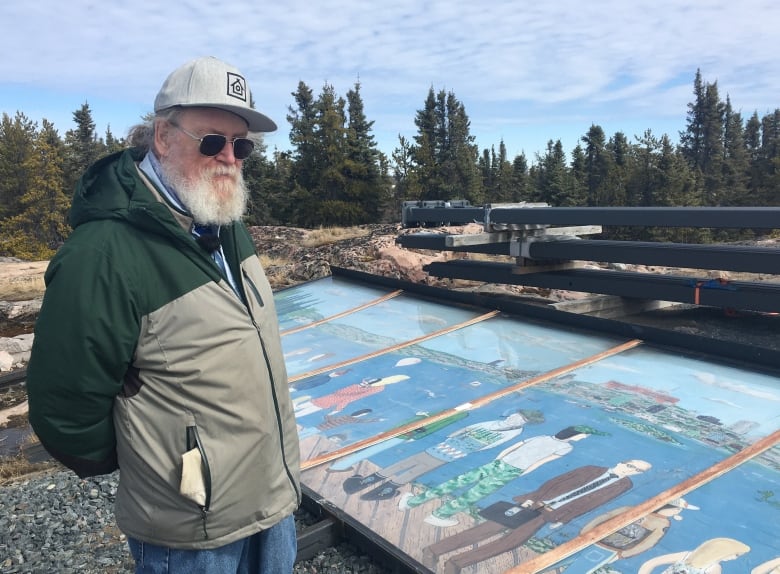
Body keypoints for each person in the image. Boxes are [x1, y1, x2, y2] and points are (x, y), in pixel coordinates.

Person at [26, 56, 301, 573]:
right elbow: (63, 408)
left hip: (272, 502)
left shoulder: (223, 221)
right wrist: (156, 464)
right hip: (191, 536)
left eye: (242, 146)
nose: (230, 158)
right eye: (212, 141)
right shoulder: (104, 253)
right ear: (162, 136)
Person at [422, 459, 652, 574]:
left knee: (513, 541)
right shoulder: (592, 469)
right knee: (486, 530)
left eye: (637, 470)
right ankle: (433, 551)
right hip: (537, 503)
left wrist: (565, 518)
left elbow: (594, 502)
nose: (631, 470)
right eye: (631, 465)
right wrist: (534, 497)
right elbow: (557, 481)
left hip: (555, 513)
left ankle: (456, 564)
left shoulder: (623, 485)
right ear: (622, 462)